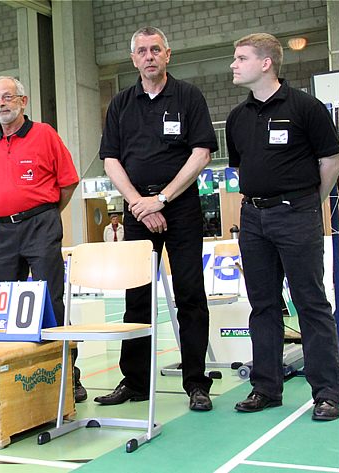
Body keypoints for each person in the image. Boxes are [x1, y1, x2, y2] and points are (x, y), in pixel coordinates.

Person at [98, 26, 217, 411]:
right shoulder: (120, 104)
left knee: (190, 296)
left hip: (180, 206)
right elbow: (110, 160)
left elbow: (201, 154)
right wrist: (138, 203)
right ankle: (135, 382)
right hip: (136, 211)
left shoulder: (188, 97)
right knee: (136, 299)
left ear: (168, 55)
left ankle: (196, 383)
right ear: (133, 59)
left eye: (155, 50)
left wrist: (162, 200)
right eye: (142, 51)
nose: (149, 56)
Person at [226, 33, 339, 421]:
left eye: (241, 58)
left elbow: (331, 160)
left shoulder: (306, 108)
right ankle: (266, 387)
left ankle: (327, 392)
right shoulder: (237, 118)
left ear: (265, 63)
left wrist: (309, 202)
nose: (233, 64)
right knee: (263, 305)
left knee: (310, 303)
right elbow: (241, 167)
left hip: (297, 213)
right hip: (253, 218)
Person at [0, 76, 87, 402]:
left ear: (23, 101)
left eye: (8, 97)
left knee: (51, 302)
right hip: (3, 231)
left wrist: (47, 213)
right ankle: (12, 375)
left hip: (41, 225)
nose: (1, 103)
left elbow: (68, 183)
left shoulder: (45, 134)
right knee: (4, 304)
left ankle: (68, 376)